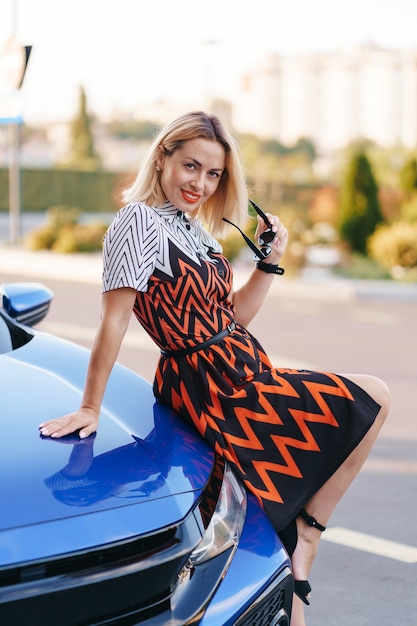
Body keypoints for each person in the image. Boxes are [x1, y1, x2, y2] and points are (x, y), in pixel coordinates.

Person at [39, 111, 390, 626]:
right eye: (190, 166)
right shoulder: (136, 222)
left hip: (243, 366)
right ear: (161, 158)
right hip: (210, 385)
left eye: (213, 174)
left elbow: (234, 316)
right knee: (372, 397)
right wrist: (91, 405)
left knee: (263, 541)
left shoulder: (197, 232)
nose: (200, 184)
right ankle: (309, 533)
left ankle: (299, 548)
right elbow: (113, 323)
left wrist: (269, 262)